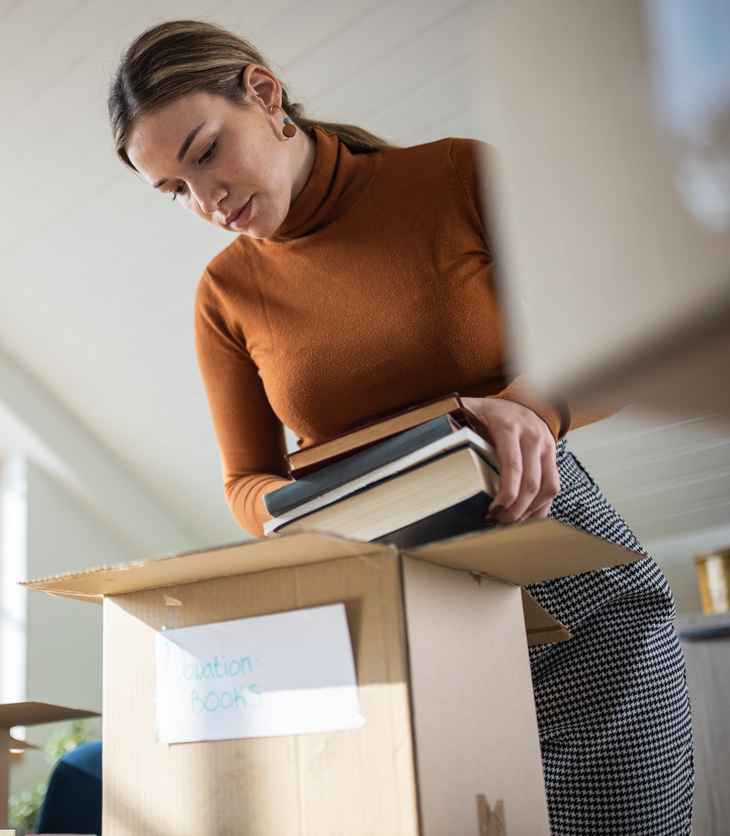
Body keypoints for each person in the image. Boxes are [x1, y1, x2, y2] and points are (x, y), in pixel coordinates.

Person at [108, 19, 693, 835]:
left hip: (570, 591)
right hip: (391, 622)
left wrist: (533, 409)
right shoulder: (224, 295)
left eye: (204, 153)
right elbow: (246, 481)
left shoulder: (456, 173)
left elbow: (623, 336)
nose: (205, 203)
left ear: (265, 94)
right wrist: (313, 512)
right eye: (174, 189)